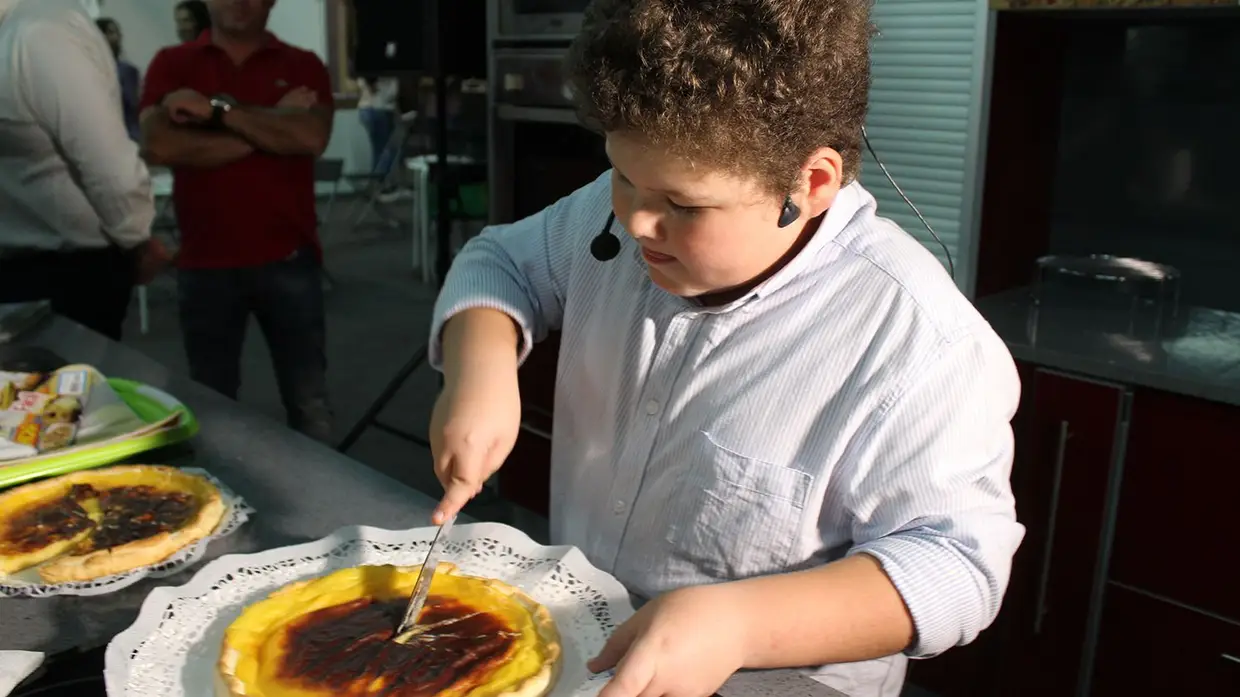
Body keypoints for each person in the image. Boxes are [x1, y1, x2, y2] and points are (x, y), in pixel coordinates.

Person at [425, 1, 1025, 696]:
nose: (635, 219)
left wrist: (741, 623)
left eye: (683, 205)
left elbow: (956, 563)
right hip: (580, 654)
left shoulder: (921, 344)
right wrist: (480, 369)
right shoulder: (612, 211)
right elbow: (500, 260)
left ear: (811, 183)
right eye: (622, 176)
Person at [138, 0, 335, 443]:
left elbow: (310, 136)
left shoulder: (303, 65)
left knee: (309, 404)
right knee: (210, 403)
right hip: (205, 262)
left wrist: (217, 112)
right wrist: (273, 123)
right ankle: (210, 500)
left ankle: (326, 508)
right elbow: (160, 147)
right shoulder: (173, 64)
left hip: (290, 257)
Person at [0, 0, 168, 341]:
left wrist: (135, 238)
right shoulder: (29, 30)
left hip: (70, 274)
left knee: (75, 389)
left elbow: (105, 161)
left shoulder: (42, 31)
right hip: (34, 269)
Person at [96, 17, 141, 141]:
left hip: (120, 135)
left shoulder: (126, 71)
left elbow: (132, 106)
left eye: (116, 32)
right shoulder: (85, 66)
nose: (116, 37)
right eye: (110, 32)